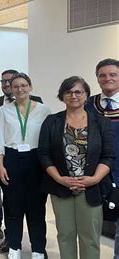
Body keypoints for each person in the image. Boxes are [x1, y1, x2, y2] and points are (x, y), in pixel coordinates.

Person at [38, 76, 115, 259]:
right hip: (61, 186)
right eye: (68, 91)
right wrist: (59, 179)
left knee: (89, 237)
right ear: (62, 96)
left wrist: (95, 179)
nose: (73, 95)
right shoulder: (52, 121)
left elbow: (109, 156)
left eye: (78, 91)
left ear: (86, 95)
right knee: (65, 235)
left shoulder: (101, 122)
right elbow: (44, 154)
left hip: (91, 187)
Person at [0, 72, 50, 259]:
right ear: (11, 89)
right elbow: (0, 140)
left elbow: (48, 140)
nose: (20, 89)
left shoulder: (44, 110)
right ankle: (14, 247)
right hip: (12, 159)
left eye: (23, 85)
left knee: (36, 208)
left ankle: (38, 250)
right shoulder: (5, 110)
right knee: (13, 207)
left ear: (30, 87)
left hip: (36, 160)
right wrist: (1, 166)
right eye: (15, 86)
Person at [85, 58, 119, 257]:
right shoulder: (88, 105)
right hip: (94, 174)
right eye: (103, 75)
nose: (108, 79)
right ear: (97, 79)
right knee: (91, 224)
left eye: (113, 74)